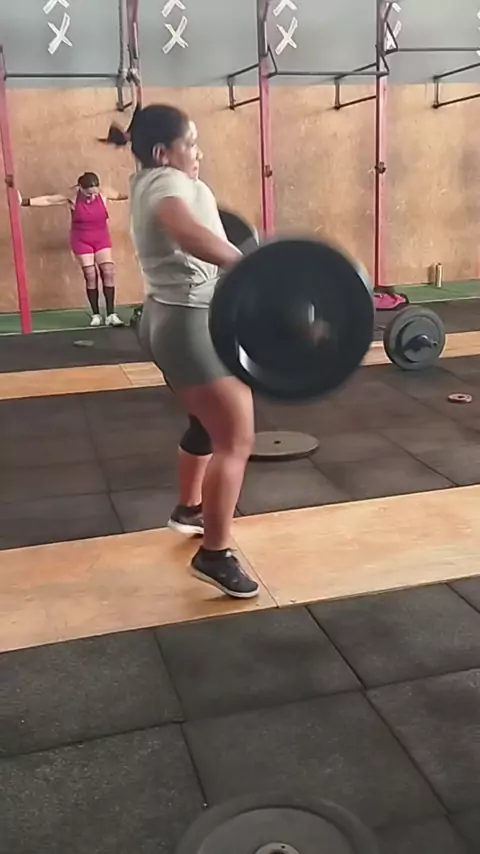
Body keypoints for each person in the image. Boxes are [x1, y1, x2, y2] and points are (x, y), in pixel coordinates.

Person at [108, 105, 259, 599]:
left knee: (204, 422)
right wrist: (247, 264)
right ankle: (214, 553)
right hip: (188, 322)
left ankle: (190, 509)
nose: (198, 153)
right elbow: (187, 232)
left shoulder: (148, 181)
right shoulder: (167, 183)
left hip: (164, 316)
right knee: (235, 438)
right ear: (162, 152)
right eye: (190, 144)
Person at [19, 173, 127, 327]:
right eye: (88, 194)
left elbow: (122, 195)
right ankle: (96, 314)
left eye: (94, 193)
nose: (92, 196)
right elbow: (49, 200)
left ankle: (111, 314)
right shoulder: (72, 196)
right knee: (90, 275)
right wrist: (24, 202)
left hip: (101, 238)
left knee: (108, 271)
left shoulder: (104, 192)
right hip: (82, 240)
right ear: (80, 188)